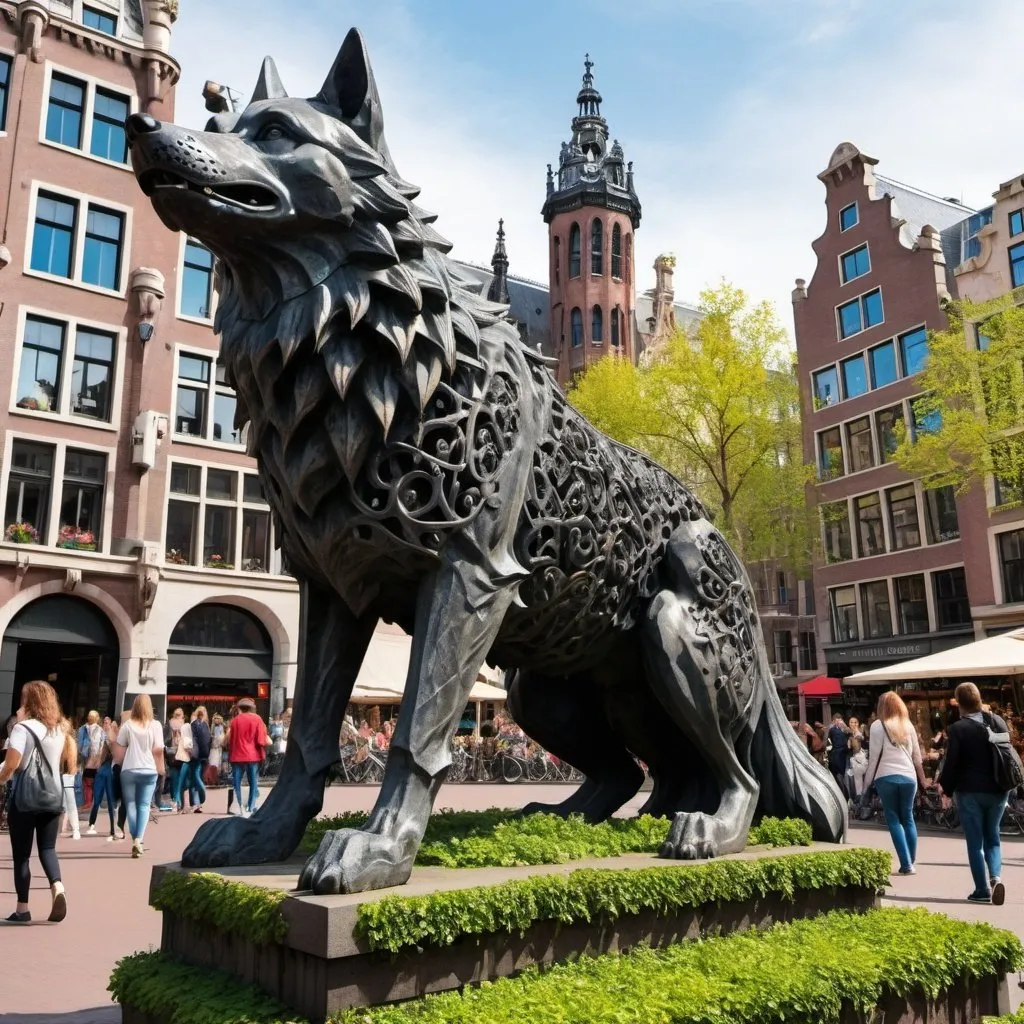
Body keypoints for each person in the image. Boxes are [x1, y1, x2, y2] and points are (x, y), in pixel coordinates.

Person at [0, 681, 69, 923]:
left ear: (29, 702)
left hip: (26, 798)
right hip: (53, 796)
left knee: (21, 855)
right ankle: (57, 885)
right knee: (48, 849)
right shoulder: (59, 729)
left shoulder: (23, 728)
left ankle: (22, 909)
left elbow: (12, 764)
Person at [938, 681, 1011, 905]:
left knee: (975, 842)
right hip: (999, 789)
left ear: (960, 704)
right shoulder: (997, 722)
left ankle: (982, 889)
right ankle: (995, 878)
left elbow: (952, 763)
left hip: (970, 791)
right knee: (993, 838)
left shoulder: (958, 729)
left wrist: (946, 789)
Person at [865, 691, 928, 876]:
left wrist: (866, 784)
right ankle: (911, 860)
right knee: (908, 818)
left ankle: (906, 863)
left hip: (886, 777)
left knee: (893, 819)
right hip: (909, 777)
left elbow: (874, 759)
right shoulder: (907, 725)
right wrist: (923, 780)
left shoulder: (877, 725)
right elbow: (917, 757)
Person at [115, 694, 165, 858]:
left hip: (129, 768)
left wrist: (119, 765)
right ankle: (139, 839)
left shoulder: (127, 725)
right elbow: (158, 749)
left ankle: (134, 837)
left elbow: (120, 750)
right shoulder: (155, 725)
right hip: (149, 769)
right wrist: (161, 768)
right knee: (144, 805)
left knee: (130, 804)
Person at [226, 698, 270, 817]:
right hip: (252, 755)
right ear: (251, 708)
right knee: (253, 782)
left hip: (237, 755)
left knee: (237, 782)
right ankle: (250, 806)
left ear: (240, 708)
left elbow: (230, 739)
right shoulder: (257, 719)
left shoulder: (235, 721)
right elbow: (261, 740)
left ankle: (239, 805)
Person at [85, 720, 118, 838]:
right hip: (103, 771)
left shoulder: (113, 740)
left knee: (109, 801)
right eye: (105, 723)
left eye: (109, 724)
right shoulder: (102, 738)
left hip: (108, 771)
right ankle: (92, 824)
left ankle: (112, 828)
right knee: (99, 800)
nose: (106, 725)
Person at [77, 710, 104, 811]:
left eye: (93, 716)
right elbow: (78, 744)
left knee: (92, 782)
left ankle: (91, 802)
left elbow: (102, 745)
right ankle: (88, 802)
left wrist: (100, 758)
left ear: (97, 718)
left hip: (95, 760)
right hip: (84, 759)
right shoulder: (82, 729)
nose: (91, 718)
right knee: (86, 782)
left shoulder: (100, 730)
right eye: (89, 716)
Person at [59, 718, 81, 840]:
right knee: (70, 804)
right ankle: (75, 829)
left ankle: (66, 828)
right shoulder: (71, 742)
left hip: (61, 775)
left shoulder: (60, 741)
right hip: (69, 776)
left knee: (64, 804)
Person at [187, 706, 211, 812]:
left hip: (195, 755)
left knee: (194, 777)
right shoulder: (205, 725)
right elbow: (206, 741)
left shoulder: (194, 724)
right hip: (203, 755)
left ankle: (198, 800)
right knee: (196, 777)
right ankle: (197, 804)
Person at [827, 713, 850, 794]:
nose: (839, 721)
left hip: (844, 753)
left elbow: (850, 733)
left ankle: (845, 791)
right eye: (837, 719)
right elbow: (828, 740)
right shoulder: (832, 729)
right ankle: (840, 791)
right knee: (837, 773)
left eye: (840, 719)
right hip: (836, 753)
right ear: (833, 720)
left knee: (844, 773)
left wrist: (845, 727)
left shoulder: (845, 729)